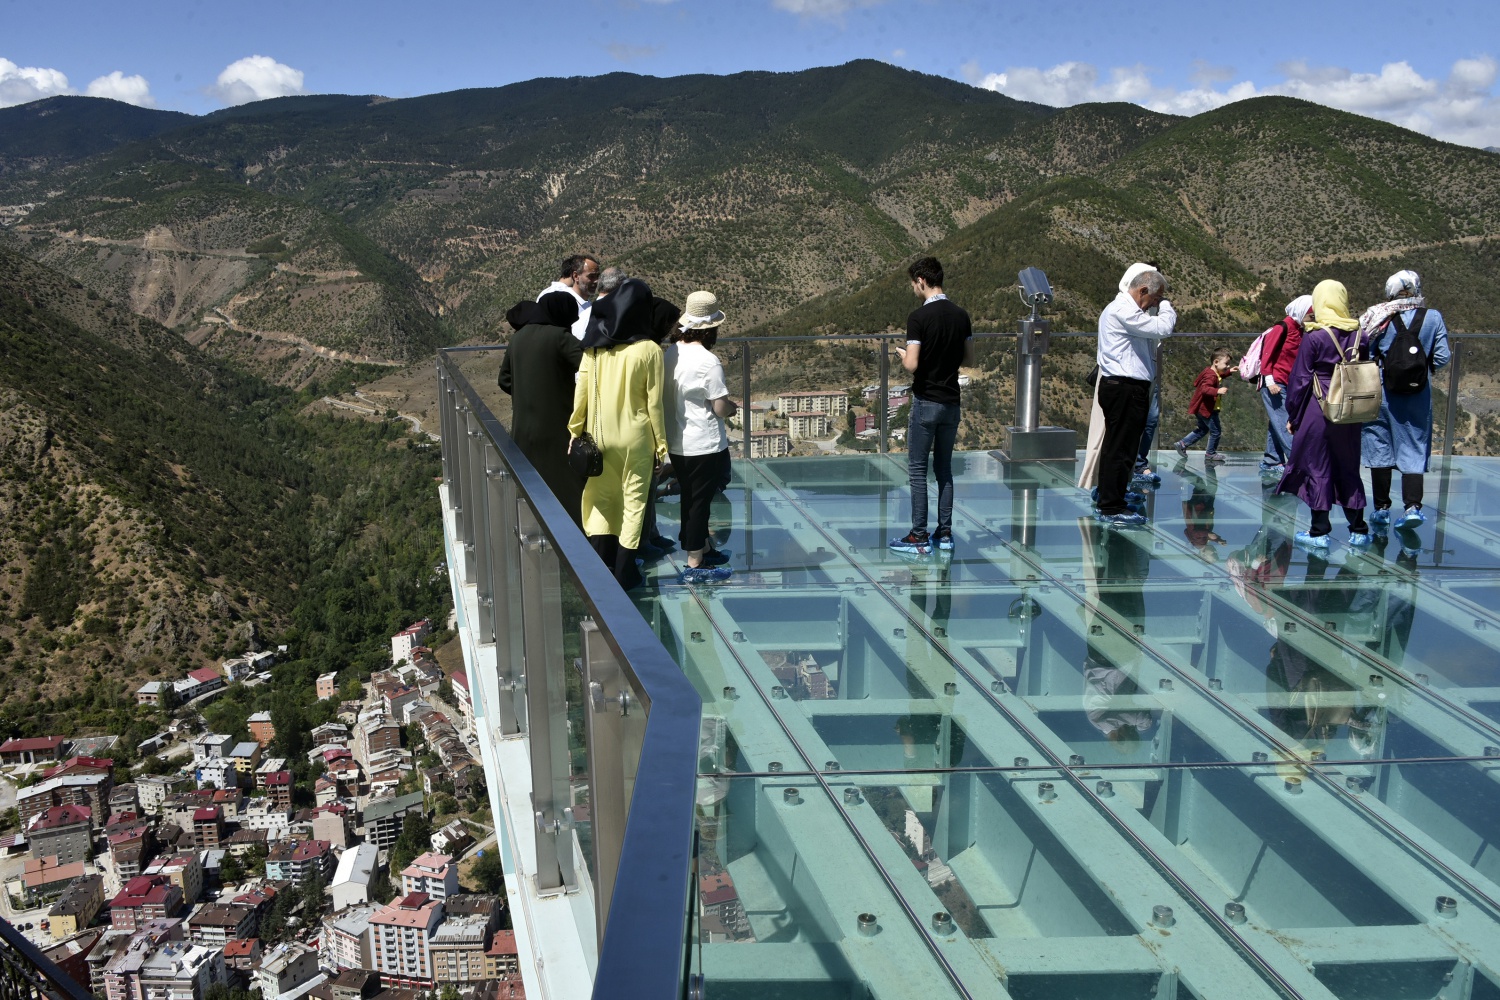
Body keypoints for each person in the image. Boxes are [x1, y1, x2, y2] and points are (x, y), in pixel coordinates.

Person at [568, 278, 668, 590]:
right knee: (634, 502)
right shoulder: (649, 350)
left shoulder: (594, 347)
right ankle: (626, 572)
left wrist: (574, 431)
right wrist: (662, 448)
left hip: (599, 436)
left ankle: (602, 565)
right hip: (636, 438)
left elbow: (581, 394)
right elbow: (654, 405)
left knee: (601, 498)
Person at [1275, 280, 1370, 549]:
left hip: (1319, 409)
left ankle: (1319, 531)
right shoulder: (1360, 335)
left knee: (1318, 466)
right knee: (1348, 467)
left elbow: (1300, 379)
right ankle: (1359, 530)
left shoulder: (1314, 336)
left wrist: (1293, 416)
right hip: (1350, 411)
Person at [889, 257, 973, 555]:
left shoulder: (918, 317)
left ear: (921, 281)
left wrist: (903, 355)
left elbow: (912, 364)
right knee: (944, 469)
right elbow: (969, 359)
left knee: (917, 470)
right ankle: (945, 533)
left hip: (926, 401)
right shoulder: (961, 315)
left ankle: (919, 535)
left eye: (913, 283)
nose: (913, 288)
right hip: (952, 402)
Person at [1359, 270, 1451, 530]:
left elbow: (1366, 352)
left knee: (1379, 444)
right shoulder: (1433, 317)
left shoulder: (1380, 316)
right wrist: (1420, 370)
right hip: (1417, 394)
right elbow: (1442, 357)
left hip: (1383, 391)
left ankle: (1381, 509)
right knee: (1413, 445)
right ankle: (1412, 507)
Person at [1093, 266, 1176, 527]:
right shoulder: (1123, 310)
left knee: (1119, 448)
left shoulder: (1123, 310)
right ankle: (1111, 507)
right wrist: (1167, 305)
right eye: (1154, 297)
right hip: (1125, 389)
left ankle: (1111, 497)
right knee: (1121, 450)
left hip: (1124, 388)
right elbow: (1164, 327)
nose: (1154, 303)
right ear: (1143, 290)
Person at [664, 291, 736, 584]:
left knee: (690, 498)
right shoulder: (709, 361)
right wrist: (732, 407)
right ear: (711, 329)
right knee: (700, 504)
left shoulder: (671, 353)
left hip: (677, 441)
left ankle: (704, 550)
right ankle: (695, 563)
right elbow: (719, 408)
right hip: (705, 444)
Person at [498, 291, 585, 524]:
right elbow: (591, 368)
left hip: (522, 429)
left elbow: (504, 380)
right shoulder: (561, 337)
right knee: (568, 490)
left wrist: (528, 393)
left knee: (531, 489)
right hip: (557, 429)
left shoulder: (518, 338)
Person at [1256, 295, 1312, 477]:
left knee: (1277, 422)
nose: (1312, 320)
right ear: (1301, 312)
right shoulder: (1282, 327)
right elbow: (1266, 354)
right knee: (1284, 423)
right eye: (1311, 316)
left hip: (1287, 383)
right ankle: (1298, 464)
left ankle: (1271, 461)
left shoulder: (1300, 330)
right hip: (1275, 383)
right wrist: (1269, 380)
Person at [1173, 348, 1235, 462]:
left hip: (1201, 409)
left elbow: (1218, 377)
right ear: (1216, 362)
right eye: (1226, 364)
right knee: (1216, 431)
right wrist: (1217, 391)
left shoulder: (1210, 372)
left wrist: (1229, 371)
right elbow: (1205, 389)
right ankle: (1210, 453)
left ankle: (1182, 444)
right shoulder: (1211, 376)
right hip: (1208, 409)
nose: (1227, 366)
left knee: (1203, 429)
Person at [537, 254, 600, 341]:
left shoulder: (590, 306)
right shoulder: (562, 303)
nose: (596, 281)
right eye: (591, 276)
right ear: (576, 276)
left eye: (597, 276)